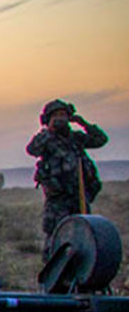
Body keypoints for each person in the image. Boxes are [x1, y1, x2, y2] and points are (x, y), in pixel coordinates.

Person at [27, 99, 109, 242]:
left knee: (82, 234)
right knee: (56, 236)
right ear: (48, 119)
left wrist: (83, 123)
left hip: (79, 195)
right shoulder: (47, 140)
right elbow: (32, 149)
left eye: (63, 115)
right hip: (58, 199)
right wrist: (49, 131)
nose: (60, 119)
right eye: (56, 116)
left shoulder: (76, 139)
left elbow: (100, 139)